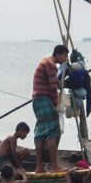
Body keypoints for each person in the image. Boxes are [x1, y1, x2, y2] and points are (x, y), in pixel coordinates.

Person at [32, 44, 69, 173]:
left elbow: (54, 82)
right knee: (52, 129)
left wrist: (60, 84)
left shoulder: (46, 62)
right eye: (65, 55)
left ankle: (39, 167)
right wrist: (56, 105)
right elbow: (53, 88)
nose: (66, 59)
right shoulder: (51, 64)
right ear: (58, 54)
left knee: (40, 131)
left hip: (37, 99)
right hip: (44, 99)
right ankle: (54, 166)